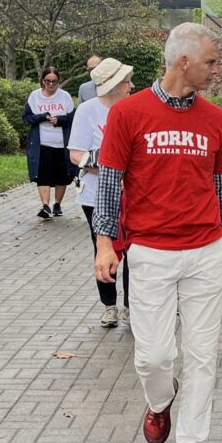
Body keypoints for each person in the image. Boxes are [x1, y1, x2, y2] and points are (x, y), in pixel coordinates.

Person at [92, 23, 222, 443]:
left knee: (202, 354)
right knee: (154, 356)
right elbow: (110, 182)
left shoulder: (215, 119)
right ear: (184, 61)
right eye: (211, 62)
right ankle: (159, 402)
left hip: (204, 250)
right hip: (150, 253)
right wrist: (105, 243)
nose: (216, 69)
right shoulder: (129, 114)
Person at [69, 58, 133, 328]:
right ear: (114, 85)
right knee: (103, 248)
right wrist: (103, 163)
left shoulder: (133, 109)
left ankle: (132, 305)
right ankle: (109, 305)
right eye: (127, 81)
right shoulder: (87, 111)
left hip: (130, 195)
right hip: (95, 195)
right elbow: (76, 154)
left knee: (133, 250)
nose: (132, 85)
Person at [23, 67, 76, 219]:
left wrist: (58, 120)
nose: (51, 85)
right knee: (43, 175)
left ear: (59, 82)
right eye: (48, 81)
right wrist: (42, 117)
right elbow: (26, 118)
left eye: (54, 82)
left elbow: (73, 118)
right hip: (42, 144)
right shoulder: (34, 97)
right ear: (42, 81)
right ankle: (45, 205)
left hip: (61, 143)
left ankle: (57, 203)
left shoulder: (65, 97)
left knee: (61, 176)